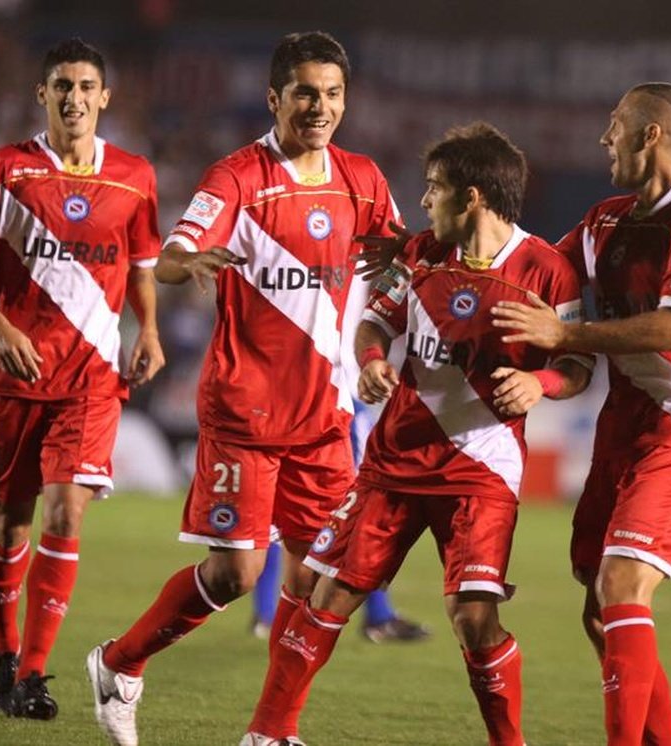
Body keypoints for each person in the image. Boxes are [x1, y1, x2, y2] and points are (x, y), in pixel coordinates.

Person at [84, 31, 403, 746]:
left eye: (330, 94)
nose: (318, 107)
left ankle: (271, 732)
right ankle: (117, 662)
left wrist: (405, 301)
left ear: (344, 100)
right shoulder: (238, 177)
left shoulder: (363, 180)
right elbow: (170, 255)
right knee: (234, 574)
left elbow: (394, 265)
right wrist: (188, 262)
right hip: (245, 413)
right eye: (304, 94)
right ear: (274, 99)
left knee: (320, 577)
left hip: (325, 415)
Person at [242, 121, 594, 746]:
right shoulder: (419, 254)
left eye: (435, 188)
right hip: (395, 461)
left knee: (473, 617)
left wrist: (542, 385)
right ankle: (268, 736)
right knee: (329, 596)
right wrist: (374, 360)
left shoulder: (548, 271)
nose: (425, 201)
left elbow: (576, 366)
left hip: (480, 471)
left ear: (473, 196)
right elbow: (374, 324)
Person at [491, 83, 671, 745]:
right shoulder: (603, 222)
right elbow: (531, 269)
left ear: (650, 134)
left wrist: (565, 337)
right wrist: (427, 254)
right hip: (623, 423)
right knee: (603, 612)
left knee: (623, 581)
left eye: (615, 127)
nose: (604, 140)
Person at [0, 38, 164, 720]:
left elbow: (143, 263)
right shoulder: (2, 170)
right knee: (12, 522)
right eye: (61, 85)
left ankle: (35, 674)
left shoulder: (134, 176)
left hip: (92, 380)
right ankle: (3, 653)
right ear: (43, 95)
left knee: (68, 512)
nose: (74, 96)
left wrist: (148, 329)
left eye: (86, 85)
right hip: (12, 376)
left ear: (105, 96)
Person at [250, 398, 430, 644]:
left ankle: (266, 615)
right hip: (327, 409)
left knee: (276, 519)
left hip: (295, 407)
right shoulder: (354, 408)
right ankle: (377, 618)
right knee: (356, 524)